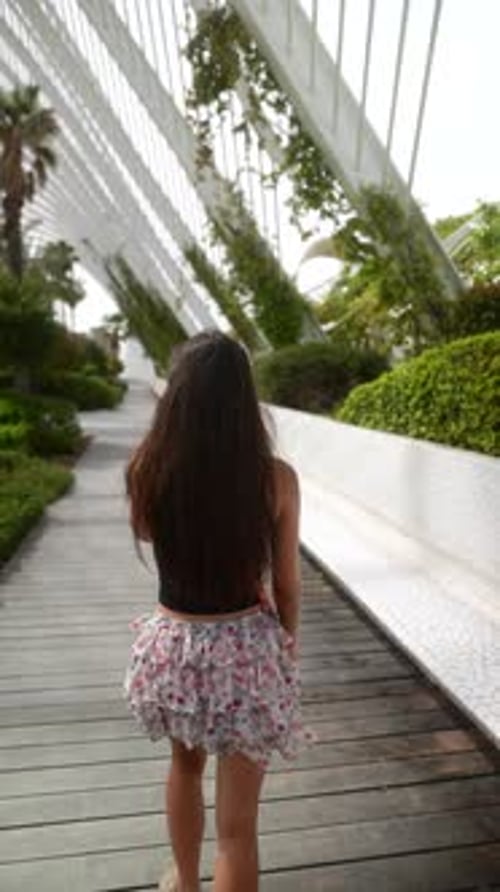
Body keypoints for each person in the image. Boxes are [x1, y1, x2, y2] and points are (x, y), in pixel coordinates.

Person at [124, 331, 313, 892]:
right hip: (247, 654)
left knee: (185, 769)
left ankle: (184, 881)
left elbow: (146, 531)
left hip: (175, 648)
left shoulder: (148, 467)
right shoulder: (275, 478)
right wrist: (286, 646)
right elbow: (287, 585)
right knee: (238, 831)